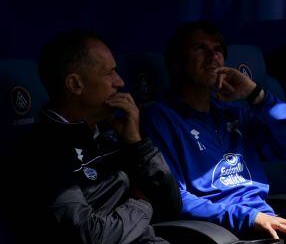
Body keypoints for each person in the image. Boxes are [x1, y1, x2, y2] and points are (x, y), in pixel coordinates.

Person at [142, 21, 286, 242]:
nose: (212, 56)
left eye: (217, 50)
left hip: (269, 221)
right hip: (226, 231)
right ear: (177, 63)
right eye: (200, 48)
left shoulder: (234, 113)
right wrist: (251, 218)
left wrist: (256, 94)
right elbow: (174, 197)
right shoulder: (161, 119)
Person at [27, 29, 181, 243]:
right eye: (109, 73)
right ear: (75, 84)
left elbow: (171, 205)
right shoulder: (42, 148)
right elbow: (93, 237)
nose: (120, 82)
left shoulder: (112, 133)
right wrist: (143, 203)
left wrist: (137, 145)